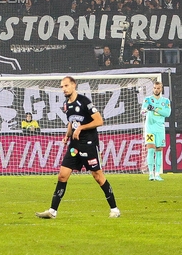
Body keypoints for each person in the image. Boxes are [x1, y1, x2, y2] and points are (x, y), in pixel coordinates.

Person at [36, 76, 120, 219]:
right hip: (74, 145)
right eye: (62, 87)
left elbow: (99, 121)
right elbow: (71, 122)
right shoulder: (66, 104)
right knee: (62, 175)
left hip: (88, 144)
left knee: (98, 176)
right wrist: (67, 136)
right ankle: (52, 211)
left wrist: (81, 127)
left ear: (74, 85)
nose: (64, 89)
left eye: (66, 86)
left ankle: (115, 209)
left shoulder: (84, 101)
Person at [142, 80, 172, 181]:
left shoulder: (166, 101)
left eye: (158, 88)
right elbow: (143, 110)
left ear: (161, 89)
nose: (156, 90)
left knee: (159, 151)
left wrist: (154, 108)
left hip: (160, 129)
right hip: (150, 128)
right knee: (151, 149)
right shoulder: (148, 100)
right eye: (154, 88)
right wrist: (146, 110)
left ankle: (157, 174)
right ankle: (151, 174)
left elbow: (167, 113)